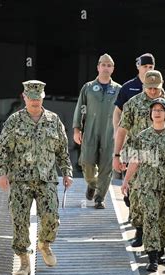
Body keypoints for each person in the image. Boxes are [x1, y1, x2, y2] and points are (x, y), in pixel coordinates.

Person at [0, 80, 73, 275]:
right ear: (24, 97)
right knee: (19, 220)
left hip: (46, 179)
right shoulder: (14, 121)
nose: (35, 102)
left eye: (39, 98)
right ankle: (24, 262)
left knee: (51, 217)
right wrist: (2, 173)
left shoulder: (54, 120)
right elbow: (2, 150)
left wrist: (67, 172)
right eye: (32, 98)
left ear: (43, 97)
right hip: (20, 179)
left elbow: (62, 150)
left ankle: (44, 244)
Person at [114, 70, 165, 248]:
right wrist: (117, 154)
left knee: (164, 202)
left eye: (156, 88)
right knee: (137, 197)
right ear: (143, 86)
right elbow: (122, 129)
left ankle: (158, 238)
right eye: (149, 88)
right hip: (139, 158)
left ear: (162, 85)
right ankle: (140, 230)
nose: (152, 91)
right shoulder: (133, 103)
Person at [121, 98, 165, 272]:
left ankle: (161, 249)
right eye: (154, 110)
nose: (157, 112)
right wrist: (127, 181)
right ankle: (152, 256)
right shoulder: (142, 136)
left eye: (161, 110)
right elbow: (135, 160)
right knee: (150, 216)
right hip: (147, 183)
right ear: (150, 114)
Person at [72, 54, 121, 209]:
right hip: (91, 130)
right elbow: (80, 108)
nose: (106, 68)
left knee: (107, 167)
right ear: (98, 67)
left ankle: (100, 198)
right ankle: (92, 183)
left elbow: (125, 114)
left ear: (112, 69)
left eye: (109, 65)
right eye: (103, 65)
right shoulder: (88, 88)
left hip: (110, 132)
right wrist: (76, 129)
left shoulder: (119, 90)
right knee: (86, 162)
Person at [112, 53, 155, 137]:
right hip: (130, 137)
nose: (148, 70)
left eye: (150, 67)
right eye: (145, 66)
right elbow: (117, 111)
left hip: (150, 137)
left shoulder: (157, 88)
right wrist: (117, 131)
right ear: (138, 66)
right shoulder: (128, 87)